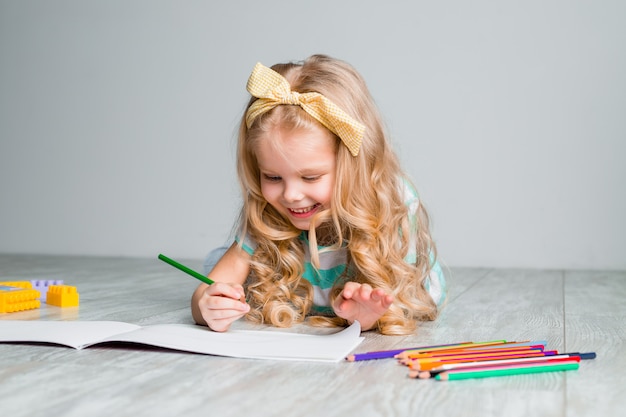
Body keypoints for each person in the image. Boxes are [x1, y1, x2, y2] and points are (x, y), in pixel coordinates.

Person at [191, 54, 446, 335]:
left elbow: (408, 304)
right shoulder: (266, 211)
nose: (291, 195)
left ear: (354, 166)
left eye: (310, 177)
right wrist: (207, 306)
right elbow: (206, 288)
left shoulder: (392, 201)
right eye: (273, 177)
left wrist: (368, 317)